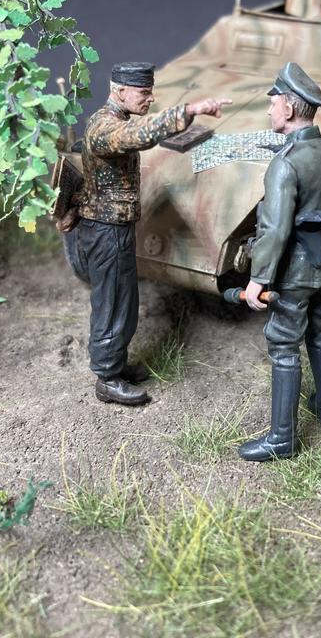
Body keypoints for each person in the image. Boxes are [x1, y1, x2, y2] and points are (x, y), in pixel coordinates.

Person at [65, 62, 230, 405]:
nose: (149, 98)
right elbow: (140, 135)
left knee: (125, 301)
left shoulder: (115, 119)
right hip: (106, 230)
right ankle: (107, 378)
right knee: (112, 302)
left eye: (150, 91)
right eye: (143, 92)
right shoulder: (105, 127)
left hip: (115, 227)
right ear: (119, 91)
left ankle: (115, 363)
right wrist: (190, 110)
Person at [239, 62, 321, 461]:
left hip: (296, 272)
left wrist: (258, 279)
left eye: (273, 103)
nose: (269, 110)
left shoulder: (285, 164)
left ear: (287, 107)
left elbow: (275, 230)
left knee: (284, 346)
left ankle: (282, 439)